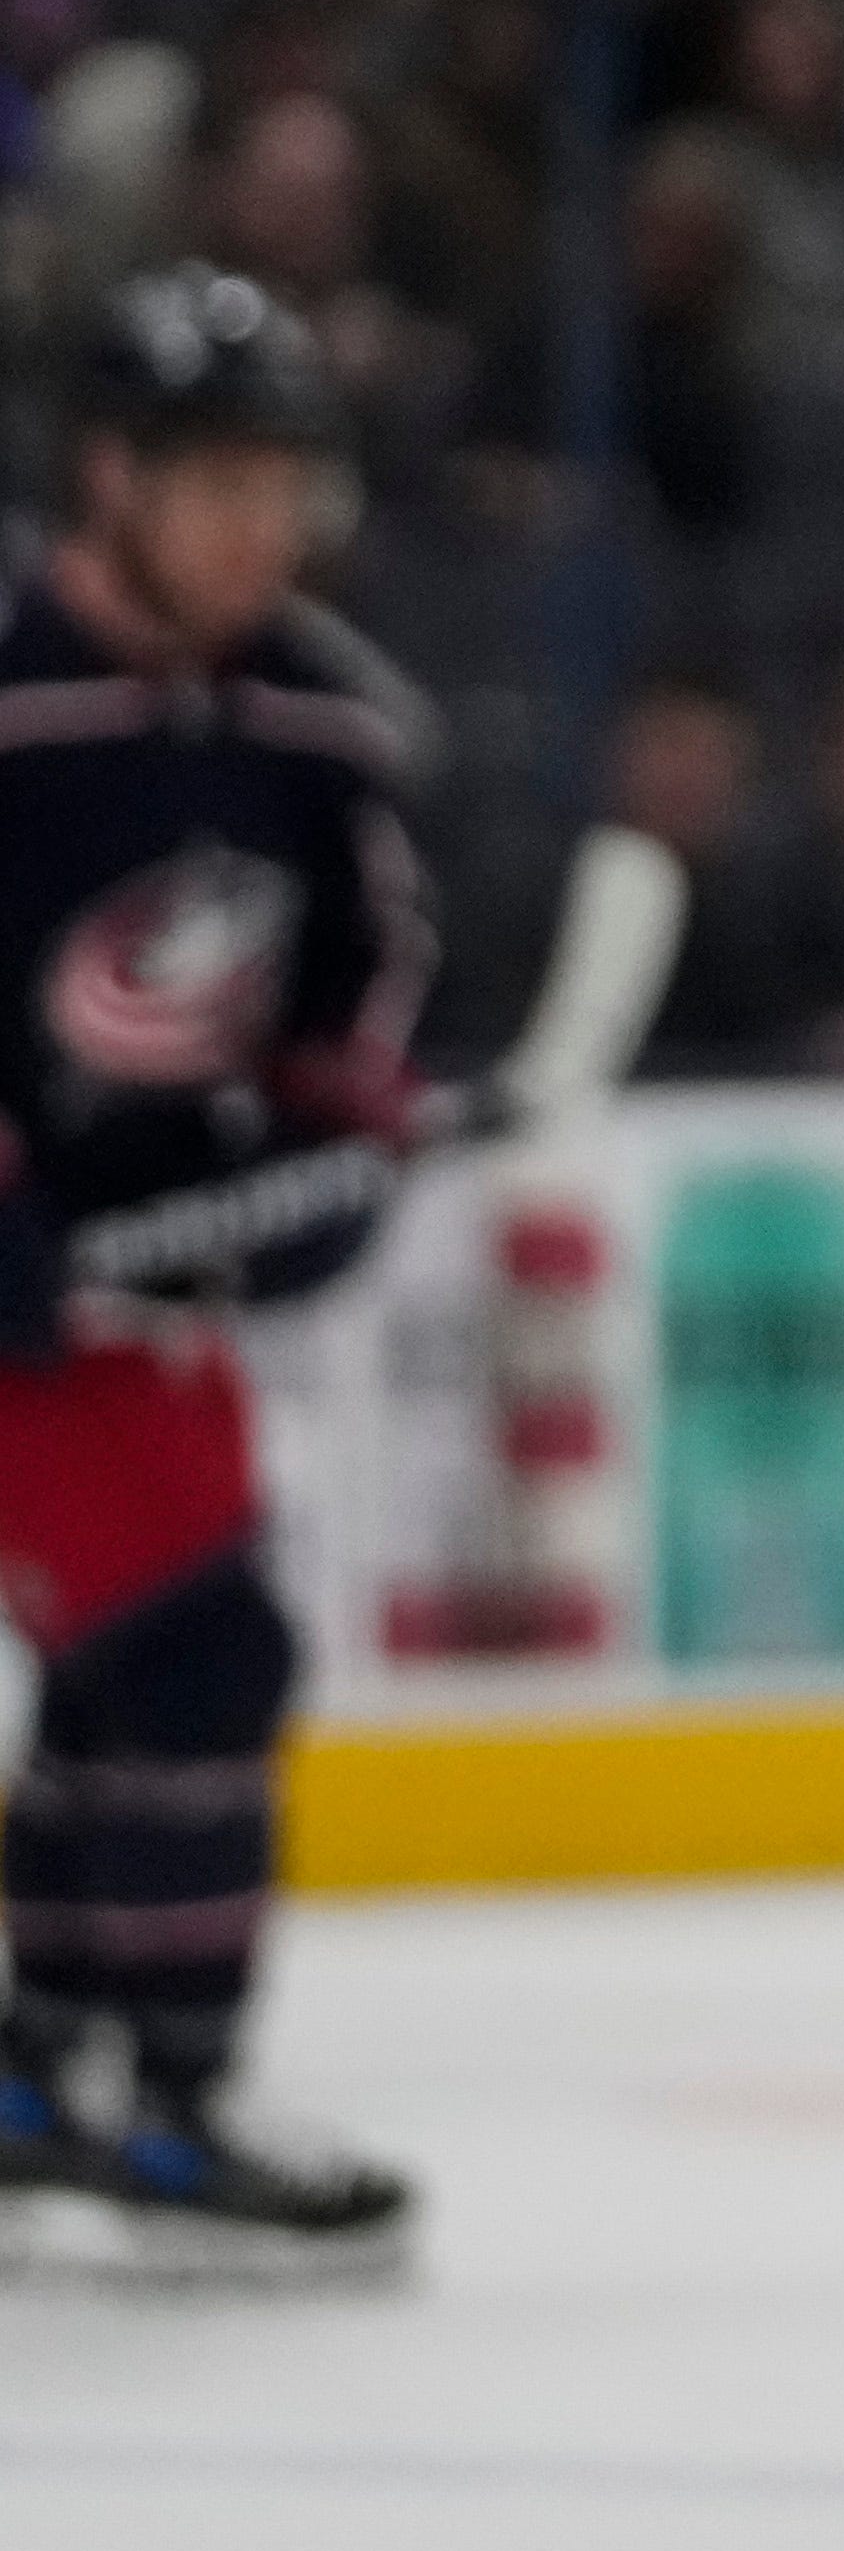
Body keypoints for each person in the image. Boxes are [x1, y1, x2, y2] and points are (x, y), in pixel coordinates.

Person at [0, 267, 425, 2248]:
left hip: (128, 1305)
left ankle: (59, 2069)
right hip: (28, 1272)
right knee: (188, 1645)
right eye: (223, 481)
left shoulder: (320, 721)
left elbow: (366, 978)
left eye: (289, 483)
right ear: (112, 476)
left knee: (159, 1652)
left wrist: (334, 1135)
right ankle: (152, 2097)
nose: (267, 526)